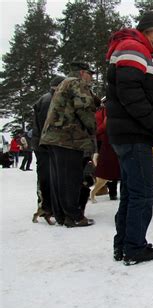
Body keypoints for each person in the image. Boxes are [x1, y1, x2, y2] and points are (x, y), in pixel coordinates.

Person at [106, 11, 153, 265]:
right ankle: (134, 247)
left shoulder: (132, 48)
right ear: (144, 30)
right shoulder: (134, 48)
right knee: (143, 193)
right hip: (133, 134)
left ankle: (123, 245)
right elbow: (131, 94)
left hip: (126, 133)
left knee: (132, 193)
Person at [40, 61, 97, 227]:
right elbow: (84, 108)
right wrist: (92, 128)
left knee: (58, 178)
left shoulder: (63, 84)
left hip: (53, 138)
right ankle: (74, 216)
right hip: (68, 138)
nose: (91, 78)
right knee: (71, 178)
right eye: (89, 74)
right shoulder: (76, 83)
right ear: (81, 73)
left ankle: (61, 215)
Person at [30, 75, 65, 223]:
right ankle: (46, 206)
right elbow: (47, 124)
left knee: (48, 175)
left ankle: (48, 206)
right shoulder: (49, 100)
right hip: (44, 145)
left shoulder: (47, 98)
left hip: (43, 144)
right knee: (46, 176)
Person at [92, 103, 120, 201]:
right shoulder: (103, 112)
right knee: (111, 167)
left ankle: (108, 190)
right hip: (108, 141)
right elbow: (104, 125)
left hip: (103, 141)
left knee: (106, 168)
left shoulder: (98, 112)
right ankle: (112, 192)